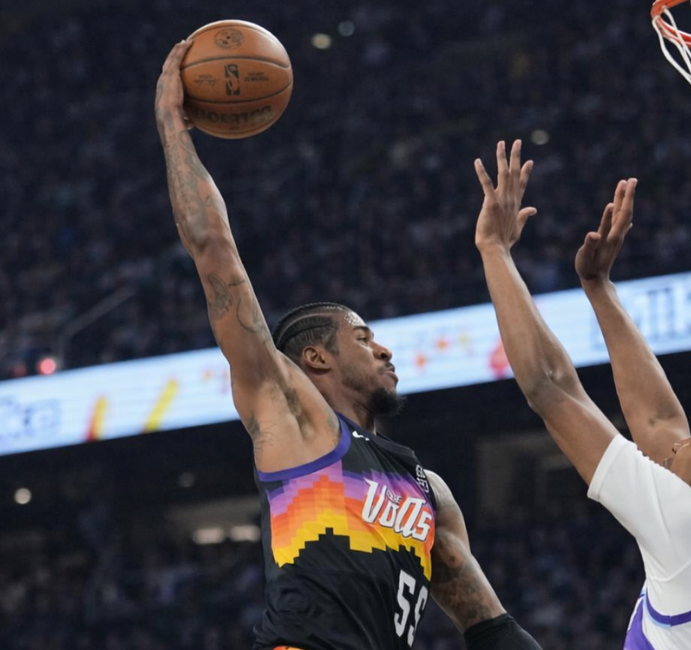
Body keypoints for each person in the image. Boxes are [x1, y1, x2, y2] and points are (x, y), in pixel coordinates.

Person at [154, 39, 542, 650]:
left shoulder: (426, 487)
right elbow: (214, 251)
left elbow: (490, 626)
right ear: (316, 357)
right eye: (364, 339)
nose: (385, 352)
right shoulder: (290, 415)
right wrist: (174, 127)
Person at [474, 140, 691, 649]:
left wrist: (494, 250)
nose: (679, 443)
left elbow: (549, 386)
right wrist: (599, 288)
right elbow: (657, 424)